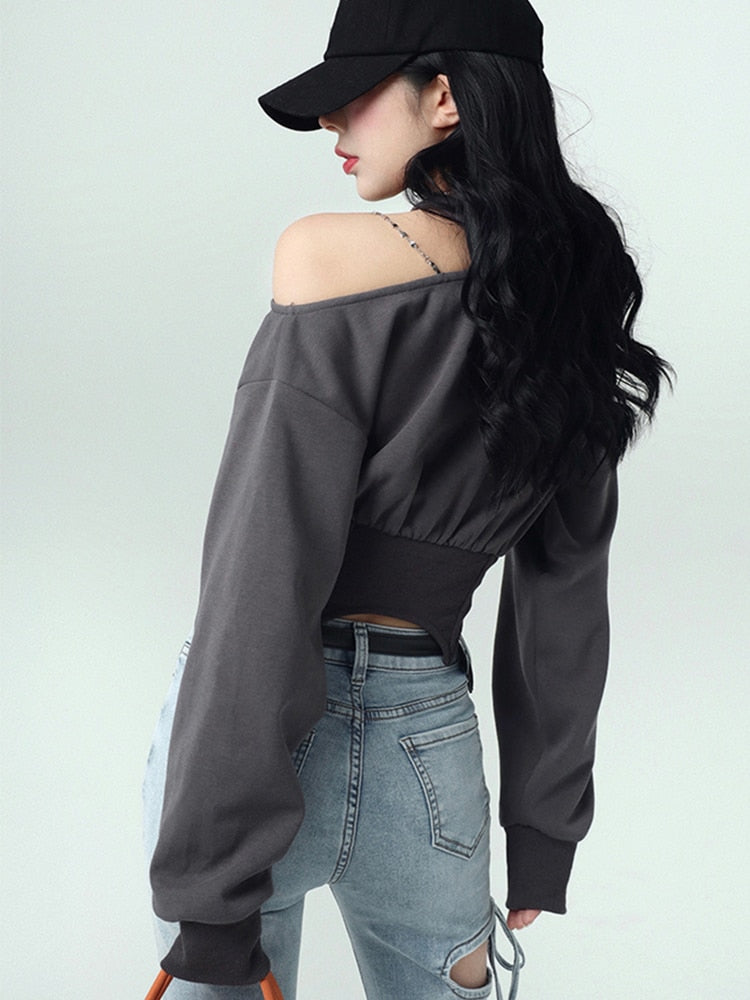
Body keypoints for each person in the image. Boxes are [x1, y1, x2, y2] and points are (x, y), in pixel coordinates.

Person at [141, 1, 673, 997]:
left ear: (444, 98)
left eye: (355, 94)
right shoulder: (572, 303)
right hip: (428, 745)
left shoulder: (325, 257)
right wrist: (543, 830)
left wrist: (211, 875)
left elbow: (264, 572)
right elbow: (565, 596)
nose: (329, 122)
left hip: (256, 751)